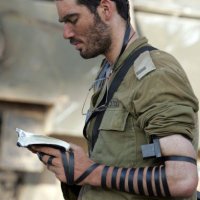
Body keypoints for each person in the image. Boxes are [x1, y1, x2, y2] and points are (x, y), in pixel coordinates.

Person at [30, 0, 199, 199]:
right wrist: (73, 172)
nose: (66, 33)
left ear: (105, 9)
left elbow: (181, 179)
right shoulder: (110, 74)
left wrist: (89, 172)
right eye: (63, 23)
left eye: (73, 20)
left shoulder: (155, 73)